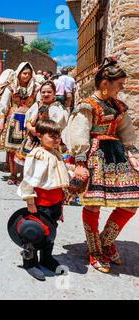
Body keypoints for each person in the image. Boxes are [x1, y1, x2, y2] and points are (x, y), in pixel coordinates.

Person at [66, 57, 139, 273]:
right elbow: (78, 133)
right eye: (120, 85)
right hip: (94, 158)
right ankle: (95, 249)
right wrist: (80, 162)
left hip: (117, 159)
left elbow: (126, 132)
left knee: (130, 203)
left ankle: (105, 241)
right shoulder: (87, 106)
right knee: (93, 204)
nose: (122, 89)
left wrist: (133, 154)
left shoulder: (119, 107)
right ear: (105, 83)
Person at [16, 119, 69, 280]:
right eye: (51, 136)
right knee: (35, 233)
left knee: (50, 233)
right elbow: (29, 178)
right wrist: (30, 200)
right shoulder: (37, 154)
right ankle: (30, 262)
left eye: (57, 136)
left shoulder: (54, 152)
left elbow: (56, 175)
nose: (55, 139)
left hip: (55, 202)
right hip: (41, 204)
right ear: (39, 136)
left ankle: (46, 257)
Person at [0, 62, 39, 185]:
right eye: (24, 73)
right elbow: (4, 104)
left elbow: (39, 103)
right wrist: (1, 119)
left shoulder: (36, 88)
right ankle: (13, 173)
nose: (26, 76)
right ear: (19, 73)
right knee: (12, 149)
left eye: (28, 74)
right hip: (14, 121)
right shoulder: (11, 87)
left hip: (29, 122)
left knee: (27, 149)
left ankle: (23, 175)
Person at [17, 80, 68, 165]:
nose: (46, 94)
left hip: (51, 140)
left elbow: (57, 124)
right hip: (35, 138)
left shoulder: (58, 107)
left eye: (49, 92)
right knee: (31, 163)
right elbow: (28, 119)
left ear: (54, 93)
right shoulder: (37, 104)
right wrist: (31, 128)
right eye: (43, 92)